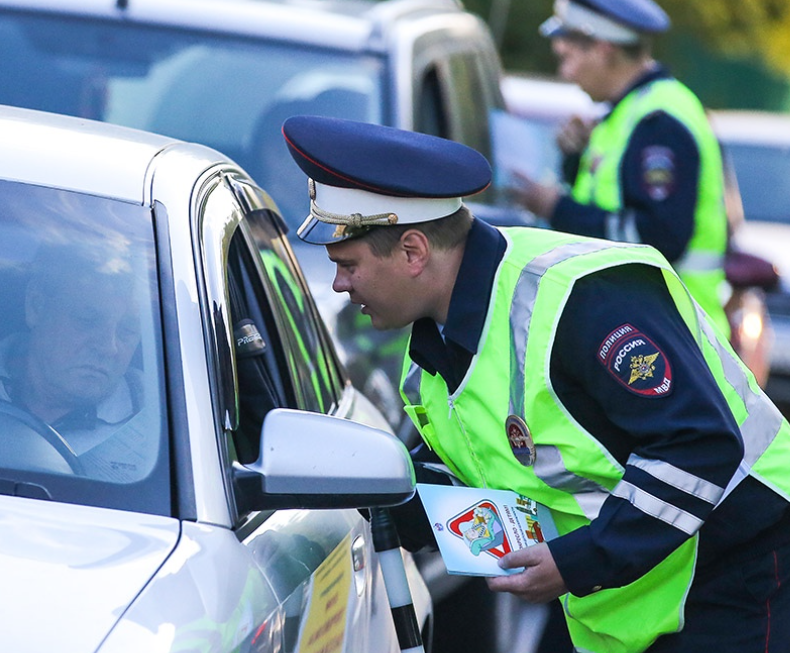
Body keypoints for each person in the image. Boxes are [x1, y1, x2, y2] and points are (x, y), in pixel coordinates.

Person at [282, 115, 790, 653]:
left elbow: (699, 444)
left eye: (348, 264)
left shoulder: (578, 299)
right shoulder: (432, 357)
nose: (339, 284)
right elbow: (503, 485)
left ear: (413, 251)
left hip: (743, 570)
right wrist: (381, 492)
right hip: (632, 598)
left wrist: (577, 562)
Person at [509, 0, 731, 340]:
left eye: (568, 57)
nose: (565, 73)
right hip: (649, 325)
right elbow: (607, 203)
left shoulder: (658, 124)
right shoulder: (629, 114)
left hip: (672, 333)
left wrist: (555, 207)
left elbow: (657, 237)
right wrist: (575, 158)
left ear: (603, 50)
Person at [0, 241, 144, 478]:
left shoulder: (167, 430)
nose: (109, 348)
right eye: (87, 320)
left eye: (127, 330)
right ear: (36, 307)